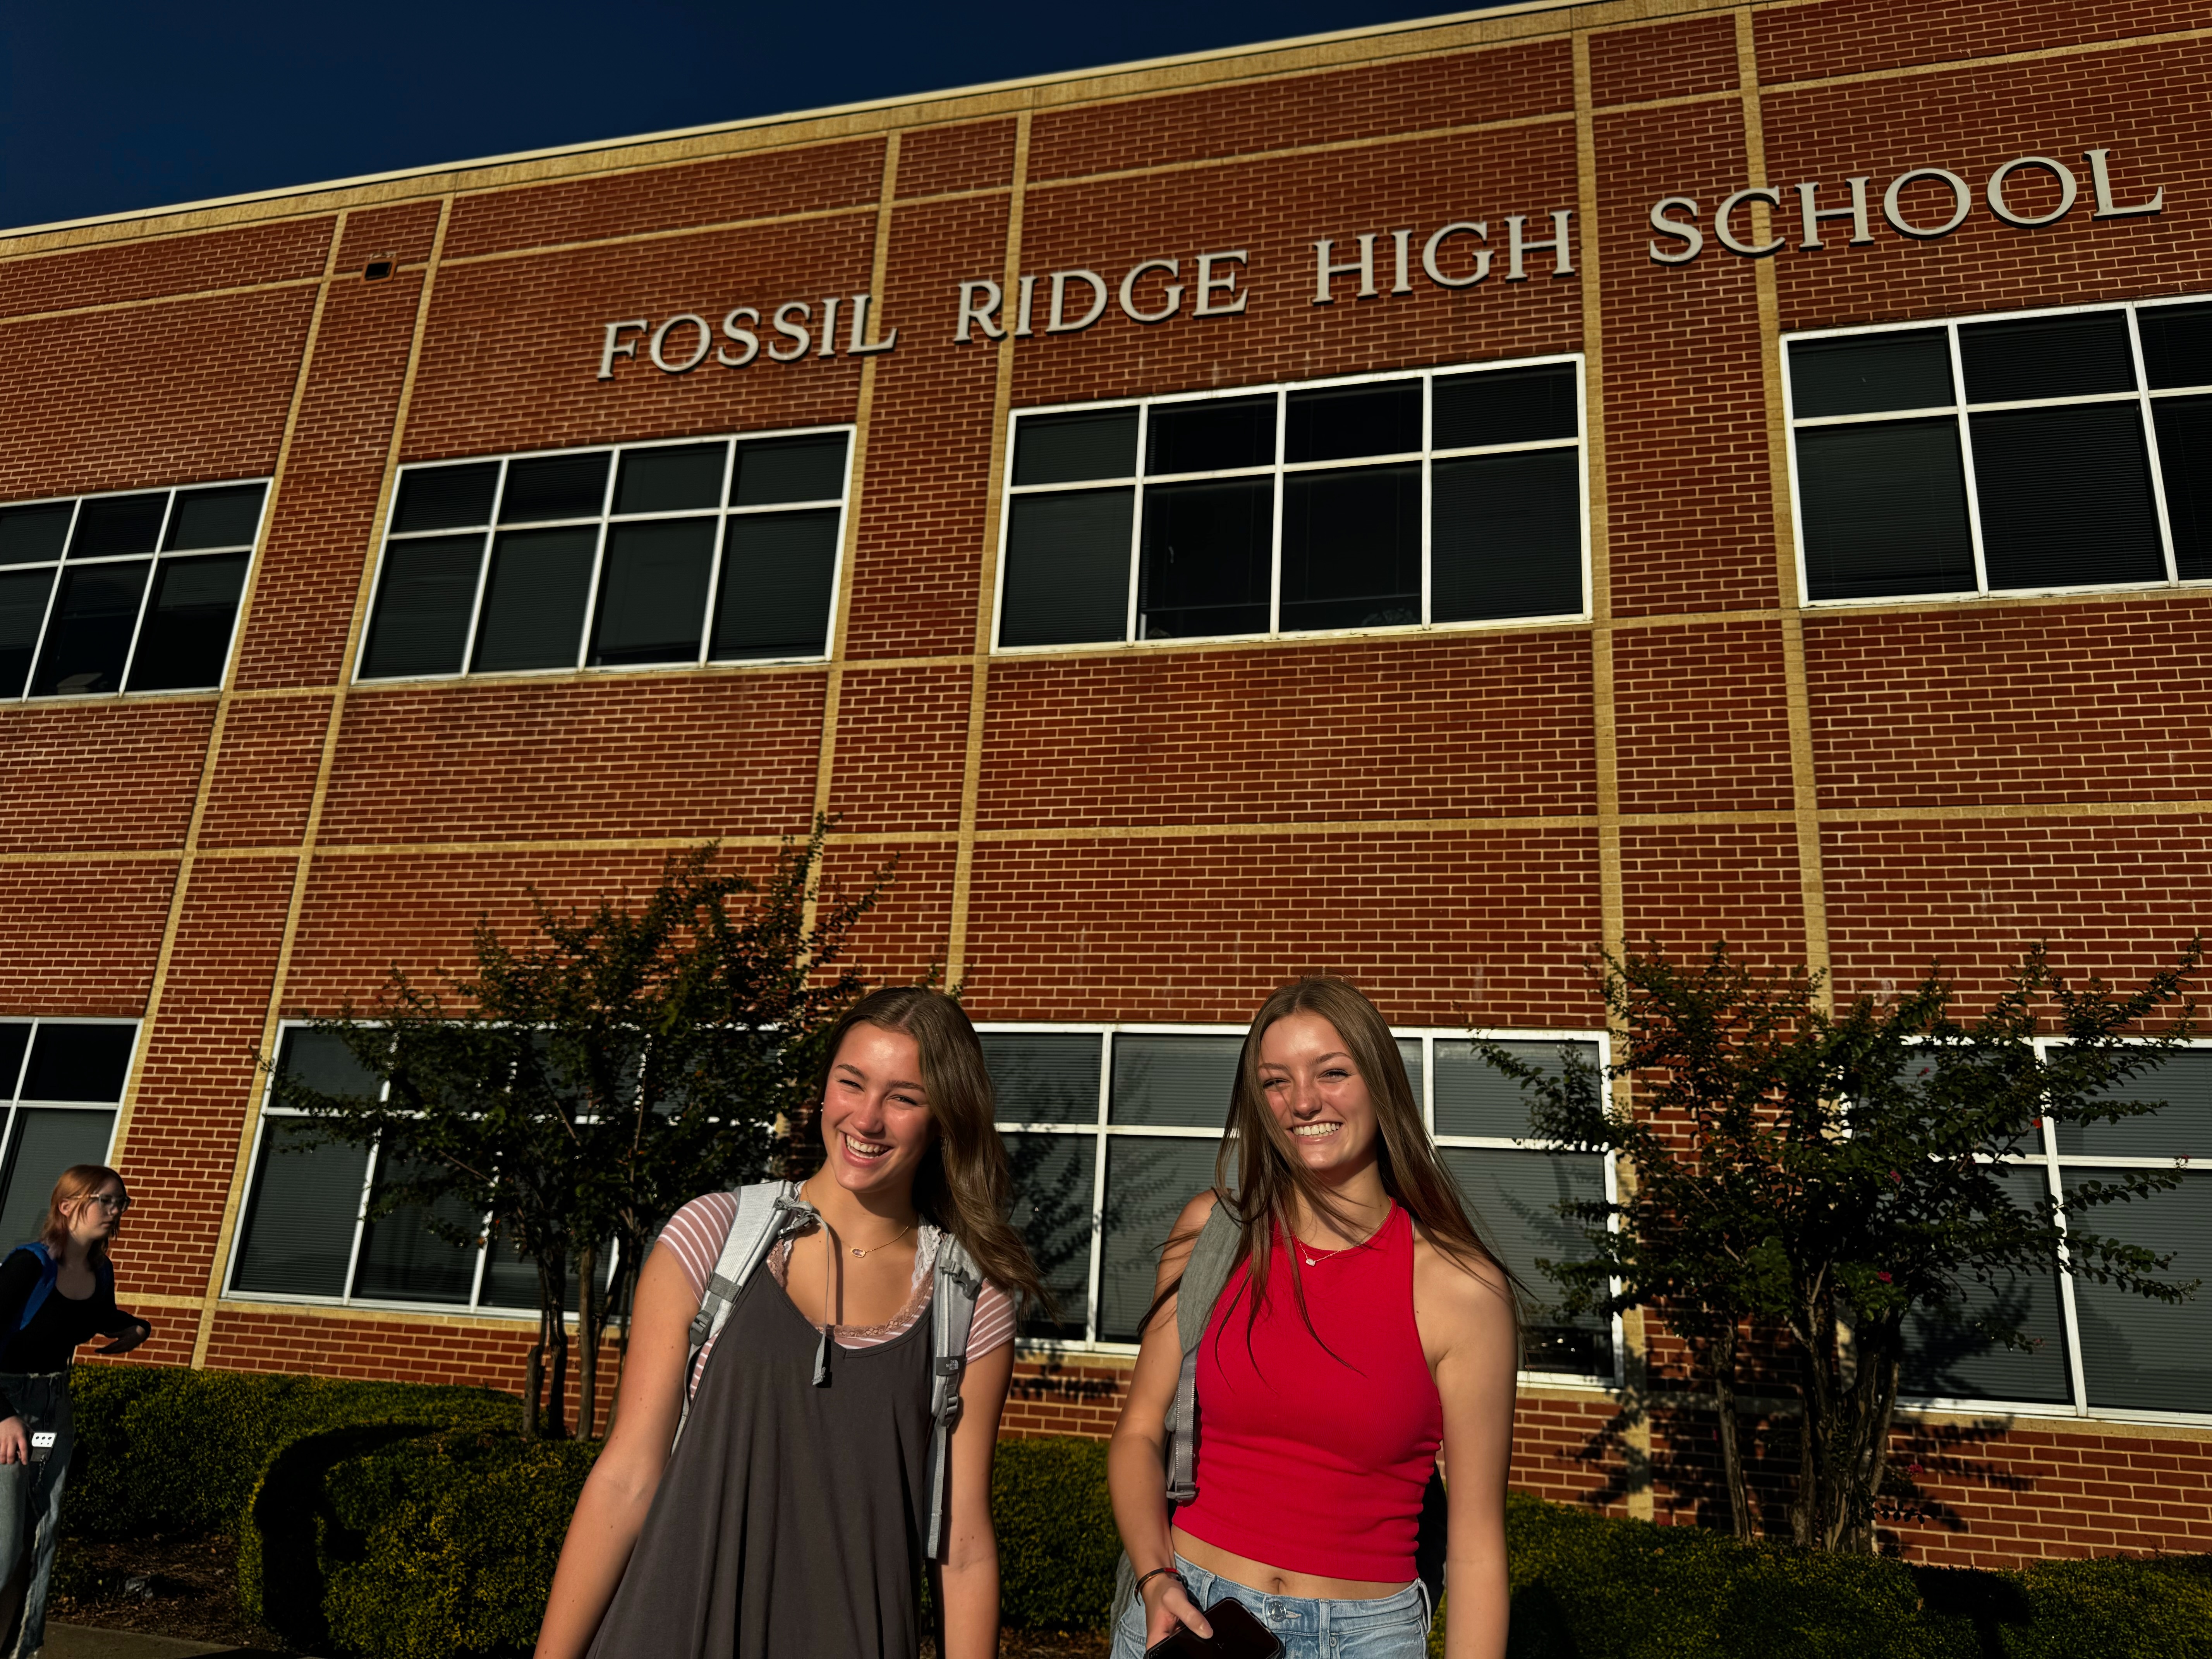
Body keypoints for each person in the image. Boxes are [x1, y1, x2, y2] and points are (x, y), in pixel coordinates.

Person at [535, 987, 1046, 1659]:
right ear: (823, 1088)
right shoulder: (714, 1235)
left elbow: (964, 1543)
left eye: (903, 1096)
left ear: (945, 1117)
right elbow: (627, 1476)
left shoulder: (969, 1296)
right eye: (851, 1081)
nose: (867, 1118)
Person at [1108, 978, 1520, 1659]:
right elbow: (1138, 1434)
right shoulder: (1212, 1232)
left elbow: (1477, 1549)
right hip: (1189, 1613)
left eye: (1332, 1071)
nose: (1302, 1100)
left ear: (1381, 1083)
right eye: (1275, 1081)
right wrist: (1155, 1577)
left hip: (1365, 1637)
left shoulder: (1462, 1287)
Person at [0, 1164, 152, 1659]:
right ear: (68, 1206)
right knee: (3, 1544)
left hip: (51, 1416)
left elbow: (96, 1317)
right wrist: (2, 1415)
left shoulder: (98, 1270)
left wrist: (135, 1326)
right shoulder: (28, 1266)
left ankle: (20, 1651)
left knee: (38, 1535)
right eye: (106, 1200)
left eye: (121, 1203)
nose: (116, 1211)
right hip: (7, 1410)